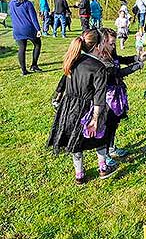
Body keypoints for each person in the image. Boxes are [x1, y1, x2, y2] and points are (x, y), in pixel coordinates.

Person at [48, 29, 117, 185]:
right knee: (100, 136)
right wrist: (96, 118)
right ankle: (103, 168)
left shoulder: (72, 58)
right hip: (89, 108)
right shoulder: (98, 66)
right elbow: (99, 95)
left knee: (75, 139)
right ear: (98, 45)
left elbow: (63, 81)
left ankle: (79, 175)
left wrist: (57, 96)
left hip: (69, 107)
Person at [100, 28, 146, 166]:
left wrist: (137, 58)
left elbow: (121, 60)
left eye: (115, 43)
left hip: (117, 94)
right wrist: (137, 66)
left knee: (114, 123)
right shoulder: (102, 59)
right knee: (107, 125)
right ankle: (105, 154)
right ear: (103, 42)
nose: (114, 46)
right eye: (111, 43)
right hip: (107, 96)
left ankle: (111, 147)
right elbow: (118, 73)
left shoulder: (111, 53)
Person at [9, 0, 42, 75]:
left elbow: (11, 14)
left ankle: (24, 70)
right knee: (37, 44)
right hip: (28, 28)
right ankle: (34, 65)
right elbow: (33, 18)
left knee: (22, 48)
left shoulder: (11, 3)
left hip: (17, 29)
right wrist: (38, 29)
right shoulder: (28, 4)